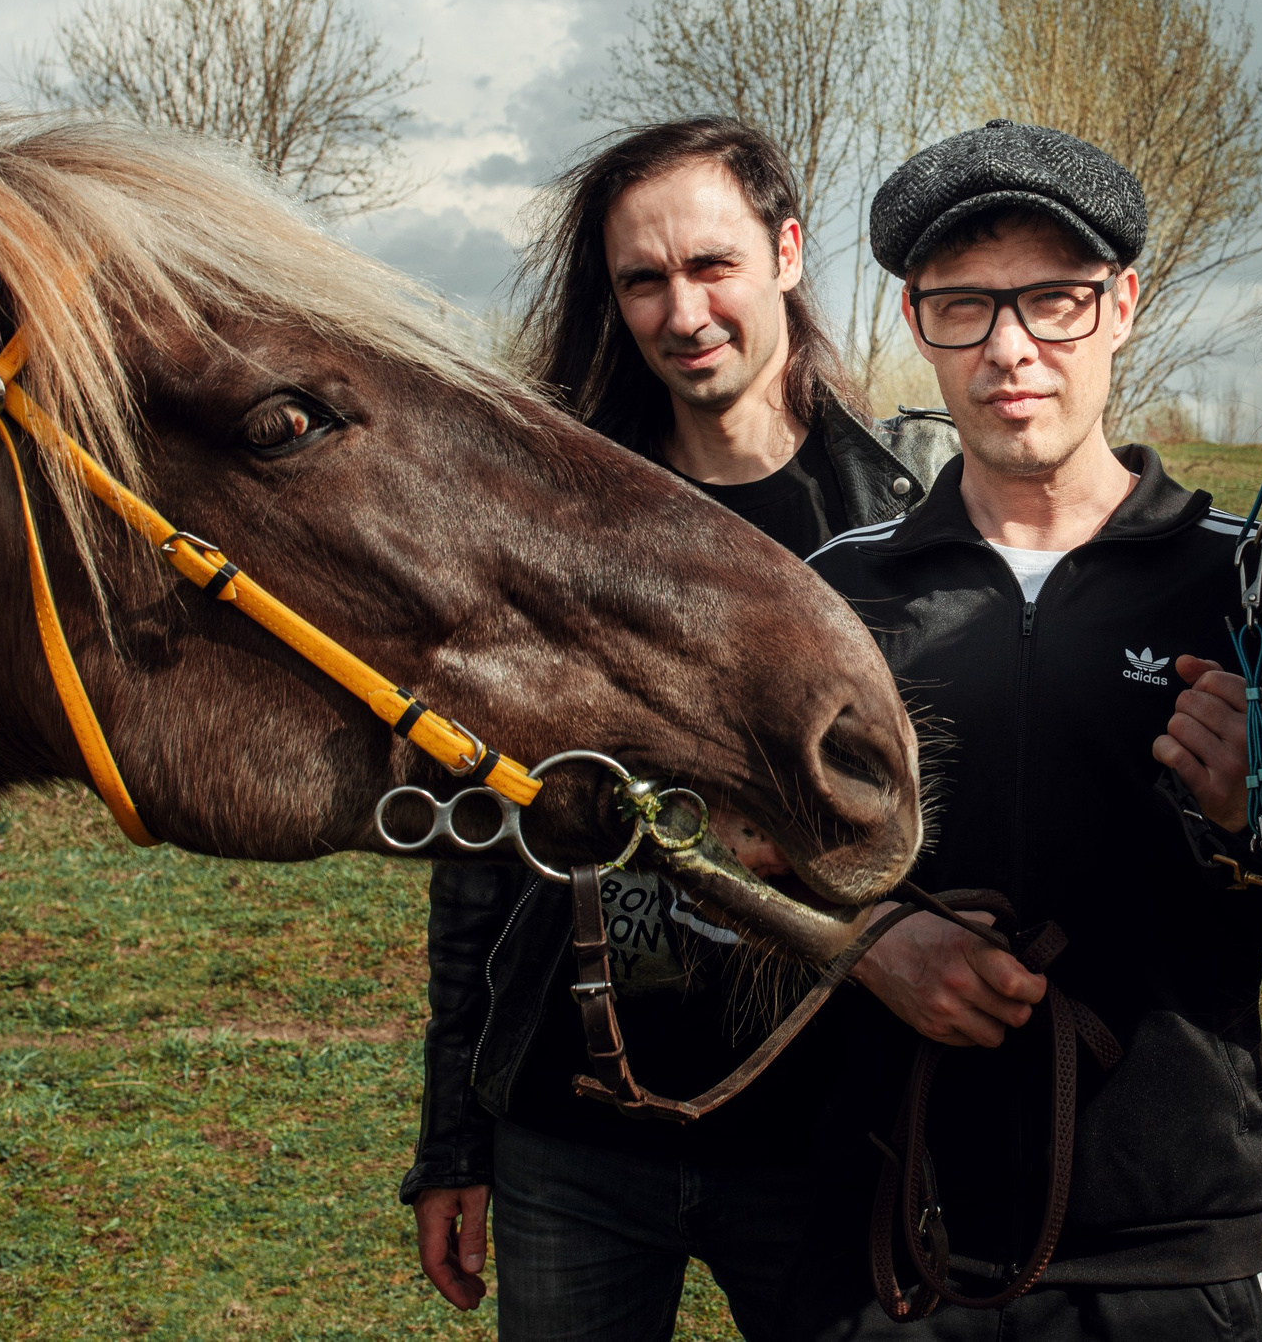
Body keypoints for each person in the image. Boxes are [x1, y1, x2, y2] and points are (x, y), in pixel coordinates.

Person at [401, 117, 956, 1341]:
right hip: (574, 1141)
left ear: (788, 253)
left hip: (829, 1146)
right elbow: (481, 869)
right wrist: (455, 1140)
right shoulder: (552, 528)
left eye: (711, 266)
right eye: (643, 280)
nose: (682, 311)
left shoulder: (911, 519)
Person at [799, 119, 1262, 1339]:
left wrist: (1258, 815)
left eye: (1054, 301)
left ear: (1120, 305)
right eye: (964, 308)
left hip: (1177, 1252)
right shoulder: (832, 596)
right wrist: (867, 943)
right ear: (918, 325)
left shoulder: (1259, 590)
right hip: (897, 1249)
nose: (1010, 348)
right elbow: (737, 872)